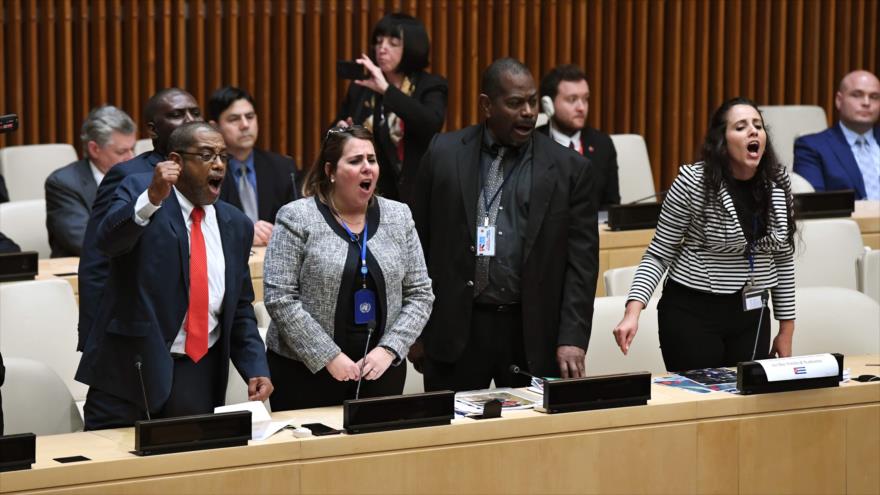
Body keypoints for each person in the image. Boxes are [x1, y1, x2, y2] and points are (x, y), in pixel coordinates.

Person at [411, 58, 599, 392]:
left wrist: (572, 338)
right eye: (514, 103)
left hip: (531, 332)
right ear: (486, 105)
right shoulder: (443, 154)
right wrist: (416, 331)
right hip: (457, 330)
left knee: (533, 442)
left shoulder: (571, 169)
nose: (528, 112)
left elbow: (581, 266)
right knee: (454, 440)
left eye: (531, 101)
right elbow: (415, 248)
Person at [75, 122, 272, 430]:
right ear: (176, 162)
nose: (218, 164)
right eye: (206, 155)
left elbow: (240, 306)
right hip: (130, 373)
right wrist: (152, 198)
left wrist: (255, 366)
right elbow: (109, 242)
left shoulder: (236, 224)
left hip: (196, 375)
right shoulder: (141, 192)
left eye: (223, 156)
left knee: (187, 474)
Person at [613, 97, 796, 372]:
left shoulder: (778, 184)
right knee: (702, 405)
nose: (753, 131)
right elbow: (659, 254)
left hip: (752, 312)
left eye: (758, 125)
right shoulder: (693, 183)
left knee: (748, 402)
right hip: (693, 312)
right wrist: (632, 312)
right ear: (722, 140)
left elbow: (783, 258)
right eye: (741, 126)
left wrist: (786, 330)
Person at [263, 125, 433, 410]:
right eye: (355, 161)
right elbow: (280, 297)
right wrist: (327, 355)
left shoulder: (399, 216)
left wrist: (389, 350)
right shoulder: (296, 217)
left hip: (379, 370)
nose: (367, 168)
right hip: (305, 373)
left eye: (372, 159)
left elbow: (420, 294)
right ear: (330, 171)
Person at [77, 88, 203, 352]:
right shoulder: (127, 174)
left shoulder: (210, 173)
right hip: (137, 331)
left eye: (195, 113)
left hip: (199, 328)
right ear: (153, 129)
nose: (190, 120)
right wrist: (95, 333)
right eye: (178, 115)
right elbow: (97, 255)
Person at [334, 13, 447, 206]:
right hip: (370, 193)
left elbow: (430, 124)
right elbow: (332, 132)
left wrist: (386, 90)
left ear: (412, 47)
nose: (382, 49)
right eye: (378, 42)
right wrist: (340, 128)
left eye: (393, 43)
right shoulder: (361, 88)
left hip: (416, 194)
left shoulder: (429, 85)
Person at [207, 86, 299, 246]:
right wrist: (245, 233)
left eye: (249, 117)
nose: (245, 125)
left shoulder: (282, 167)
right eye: (234, 119)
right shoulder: (206, 171)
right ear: (215, 127)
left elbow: (297, 222)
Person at [45, 105, 137, 257]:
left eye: (132, 148)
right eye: (122, 151)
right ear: (94, 149)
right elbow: (84, 242)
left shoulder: (138, 176)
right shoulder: (64, 183)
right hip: (83, 273)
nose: (131, 157)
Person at [536, 64, 620, 209]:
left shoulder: (603, 144)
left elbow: (611, 206)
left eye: (585, 99)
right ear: (548, 104)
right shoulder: (532, 143)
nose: (581, 107)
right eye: (572, 99)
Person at [794, 70, 880, 200]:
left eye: (874, 97)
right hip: (848, 220)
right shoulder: (811, 147)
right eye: (857, 95)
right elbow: (813, 204)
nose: (866, 103)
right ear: (839, 101)